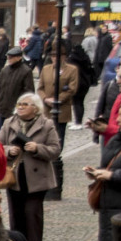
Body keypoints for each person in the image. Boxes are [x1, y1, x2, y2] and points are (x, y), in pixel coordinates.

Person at [0, 93, 61, 241]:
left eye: (25, 104)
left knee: (32, 215)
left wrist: (37, 148)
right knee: (16, 215)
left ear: (35, 108)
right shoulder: (9, 123)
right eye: (19, 104)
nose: (21, 106)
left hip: (37, 180)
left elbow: (55, 150)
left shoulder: (46, 125)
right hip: (15, 177)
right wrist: (8, 151)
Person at [87, 100, 121, 241]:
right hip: (107, 205)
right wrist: (97, 172)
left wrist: (111, 175)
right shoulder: (115, 140)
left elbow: (114, 172)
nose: (117, 120)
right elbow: (109, 166)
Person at [38, 48, 79, 199]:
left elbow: (72, 88)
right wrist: (45, 99)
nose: (55, 58)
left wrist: (58, 99)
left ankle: (54, 169)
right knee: (44, 138)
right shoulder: (46, 69)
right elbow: (41, 88)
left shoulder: (71, 70)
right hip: (47, 110)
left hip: (61, 110)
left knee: (58, 140)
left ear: (64, 56)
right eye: (53, 55)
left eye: (58, 55)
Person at [0, 47, 35, 132]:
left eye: (11, 57)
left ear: (19, 57)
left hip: (16, 109)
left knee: (14, 134)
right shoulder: (5, 70)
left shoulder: (26, 71)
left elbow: (29, 91)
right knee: (1, 133)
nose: (9, 59)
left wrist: (22, 106)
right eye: (8, 57)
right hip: (3, 108)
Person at [67, 43, 97, 130]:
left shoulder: (72, 58)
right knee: (80, 102)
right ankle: (78, 120)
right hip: (85, 83)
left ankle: (78, 122)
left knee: (76, 102)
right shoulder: (85, 57)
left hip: (77, 82)